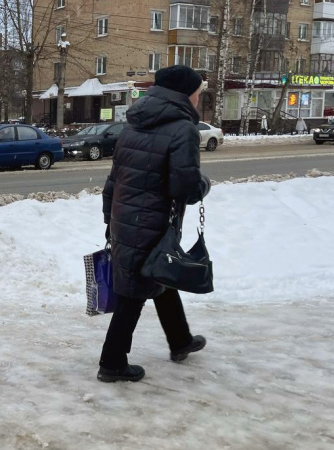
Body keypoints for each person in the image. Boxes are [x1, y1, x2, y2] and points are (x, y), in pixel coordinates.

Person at [99, 65, 211, 383]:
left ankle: (180, 341)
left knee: (160, 273)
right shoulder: (183, 129)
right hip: (152, 222)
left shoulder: (133, 125)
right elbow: (185, 189)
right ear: (186, 95)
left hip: (125, 219)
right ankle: (112, 363)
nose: (199, 99)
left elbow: (113, 180)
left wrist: (110, 219)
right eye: (198, 94)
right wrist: (203, 185)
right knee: (133, 293)